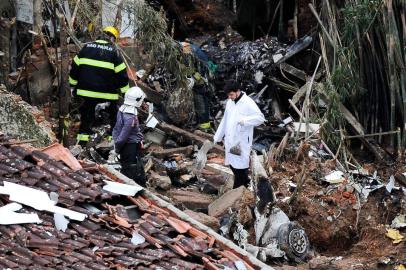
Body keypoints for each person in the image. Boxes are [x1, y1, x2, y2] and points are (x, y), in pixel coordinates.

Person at [69, 26, 130, 143]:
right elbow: (122, 75)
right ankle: (112, 138)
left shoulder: (86, 48)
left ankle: (82, 139)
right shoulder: (114, 52)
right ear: (112, 39)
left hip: (86, 92)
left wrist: (72, 85)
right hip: (107, 94)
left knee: (86, 114)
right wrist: (126, 93)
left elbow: (74, 68)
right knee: (113, 114)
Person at [213, 81, 265, 189]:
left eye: (231, 94)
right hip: (231, 139)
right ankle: (243, 184)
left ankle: (240, 187)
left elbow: (260, 118)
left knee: (240, 166)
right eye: (228, 95)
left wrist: (245, 121)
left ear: (238, 91)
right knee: (233, 164)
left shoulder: (248, 102)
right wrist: (218, 136)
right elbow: (225, 120)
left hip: (240, 140)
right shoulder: (230, 102)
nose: (230, 97)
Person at [112, 86, 146, 186]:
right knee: (131, 171)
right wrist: (117, 148)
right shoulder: (130, 117)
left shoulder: (121, 110)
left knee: (130, 168)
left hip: (129, 145)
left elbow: (116, 129)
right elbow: (123, 135)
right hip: (129, 147)